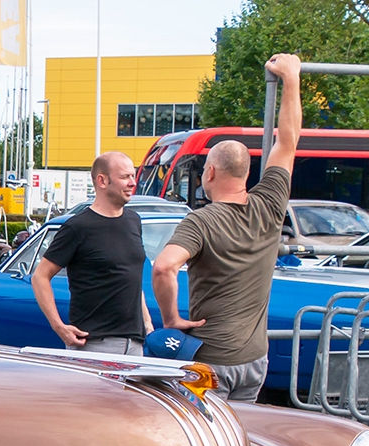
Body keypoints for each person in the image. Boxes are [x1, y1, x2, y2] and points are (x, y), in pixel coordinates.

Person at [152, 53, 303, 401]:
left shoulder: (201, 221)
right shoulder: (269, 204)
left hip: (212, 361)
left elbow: (164, 267)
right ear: (247, 173)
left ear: (211, 173)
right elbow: (288, 141)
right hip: (254, 360)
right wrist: (291, 79)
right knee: (241, 441)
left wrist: (172, 319)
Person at [29, 151, 153, 355]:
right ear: (102, 181)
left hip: (135, 344)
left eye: (133, 175)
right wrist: (59, 327)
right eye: (125, 177)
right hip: (94, 345)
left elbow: (130, 277)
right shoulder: (77, 227)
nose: (132, 183)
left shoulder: (134, 221)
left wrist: (147, 323)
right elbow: (40, 276)